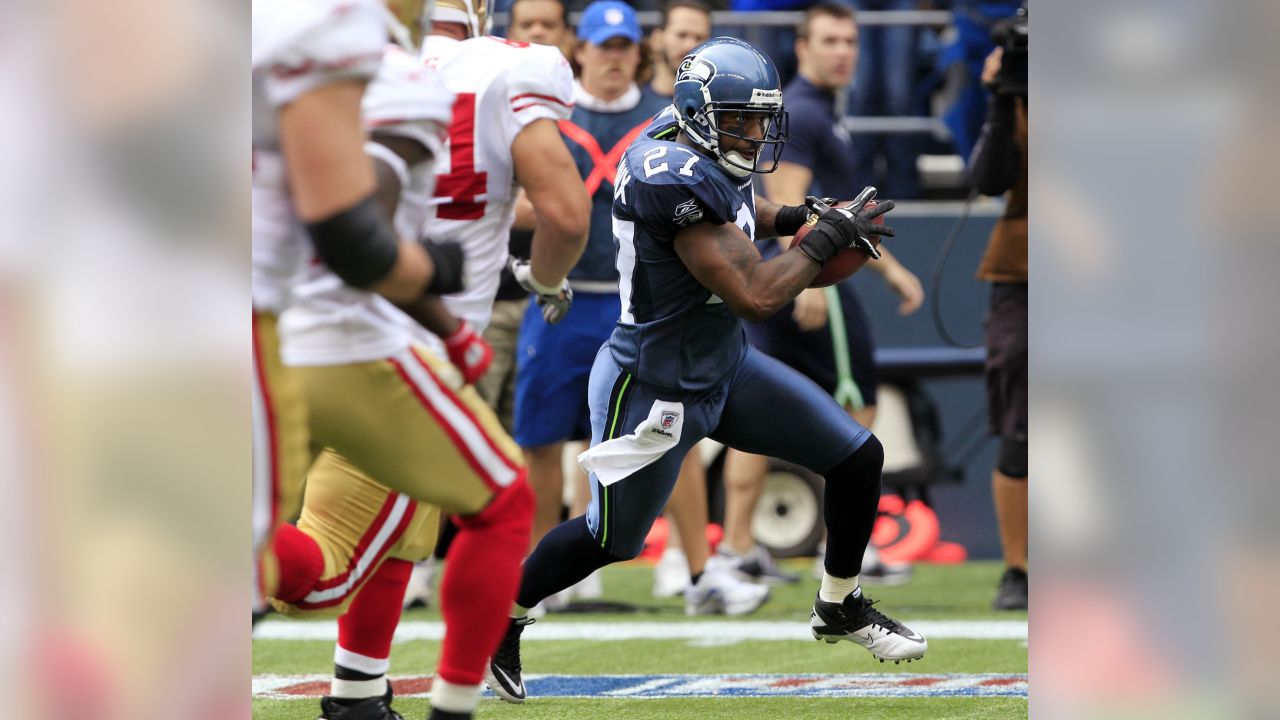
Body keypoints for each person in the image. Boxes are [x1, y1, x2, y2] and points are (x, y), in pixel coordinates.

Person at [485, 37, 926, 705]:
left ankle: (840, 602)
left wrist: (803, 215)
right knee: (612, 538)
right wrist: (829, 238)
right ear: (698, 114)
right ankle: (503, 617)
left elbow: (742, 217)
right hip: (655, 383)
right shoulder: (667, 172)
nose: (752, 135)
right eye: (739, 121)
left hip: (724, 364)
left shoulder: (703, 149)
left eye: (759, 120)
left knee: (858, 456)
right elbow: (757, 293)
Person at [268, 1, 589, 718]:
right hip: (379, 343)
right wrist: (521, 287)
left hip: (287, 320)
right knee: (326, 571)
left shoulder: (309, 59)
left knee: (402, 529)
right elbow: (566, 215)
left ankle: (358, 693)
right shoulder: (500, 67)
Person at [250, 0, 462, 618]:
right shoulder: (382, 64)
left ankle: (362, 695)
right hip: (354, 338)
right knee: (499, 498)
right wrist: (437, 279)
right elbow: (353, 237)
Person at [718, 1, 924, 586]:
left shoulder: (821, 111)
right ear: (802, 48)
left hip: (796, 276)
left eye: (850, 41)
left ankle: (737, 548)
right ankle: (844, 549)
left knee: (750, 415)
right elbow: (792, 204)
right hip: (810, 281)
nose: (843, 52)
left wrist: (892, 271)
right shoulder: (806, 113)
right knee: (858, 405)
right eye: (829, 40)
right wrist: (802, 280)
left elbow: (843, 214)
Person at [971, 41, 1028, 611]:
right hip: (1024, 269)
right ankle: (1018, 567)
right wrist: (999, 97)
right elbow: (988, 178)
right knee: (1021, 423)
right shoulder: (1017, 94)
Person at [646, 0, 713, 99]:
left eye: (699, 38)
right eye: (682, 35)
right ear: (657, 39)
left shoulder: (716, 108)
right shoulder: (630, 104)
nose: (690, 46)